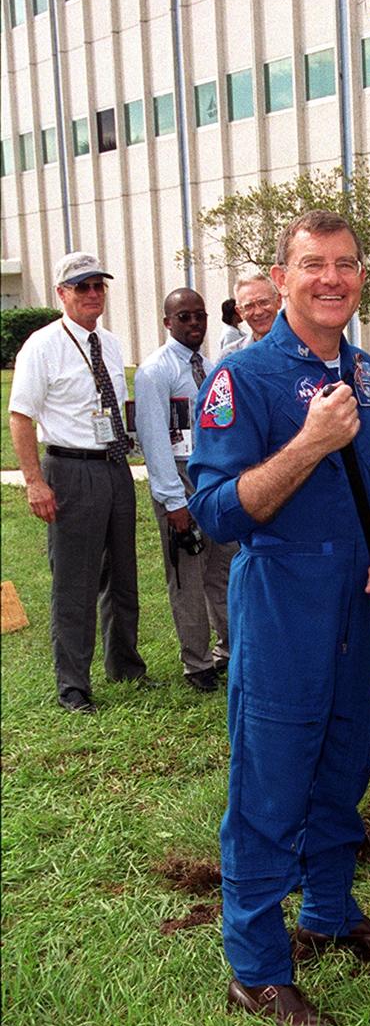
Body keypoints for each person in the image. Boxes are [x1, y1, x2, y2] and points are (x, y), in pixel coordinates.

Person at [188, 210, 370, 1026]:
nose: (331, 278)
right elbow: (216, 511)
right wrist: (311, 443)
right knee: (270, 780)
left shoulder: (367, 374)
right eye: (312, 264)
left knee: (341, 764)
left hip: (355, 601)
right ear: (281, 279)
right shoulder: (243, 380)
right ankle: (254, 969)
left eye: (346, 264)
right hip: (282, 596)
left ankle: (327, 913)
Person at [8, 251, 149, 712]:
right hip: (69, 470)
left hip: (113, 467)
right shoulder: (42, 345)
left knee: (123, 575)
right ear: (61, 294)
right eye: (82, 286)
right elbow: (21, 416)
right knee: (75, 581)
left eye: (98, 286)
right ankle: (73, 685)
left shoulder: (108, 342)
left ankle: (124, 664)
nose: (92, 294)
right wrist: (34, 481)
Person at [134, 288, 237, 692]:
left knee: (222, 569)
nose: (194, 324)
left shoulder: (209, 368)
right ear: (167, 323)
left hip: (212, 478)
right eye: (184, 318)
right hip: (179, 480)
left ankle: (229, 649)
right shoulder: (155, 371)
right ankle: (197, 665)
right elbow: (155, 440)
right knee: (188, 579)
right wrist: (173, 501)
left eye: (200, 316)